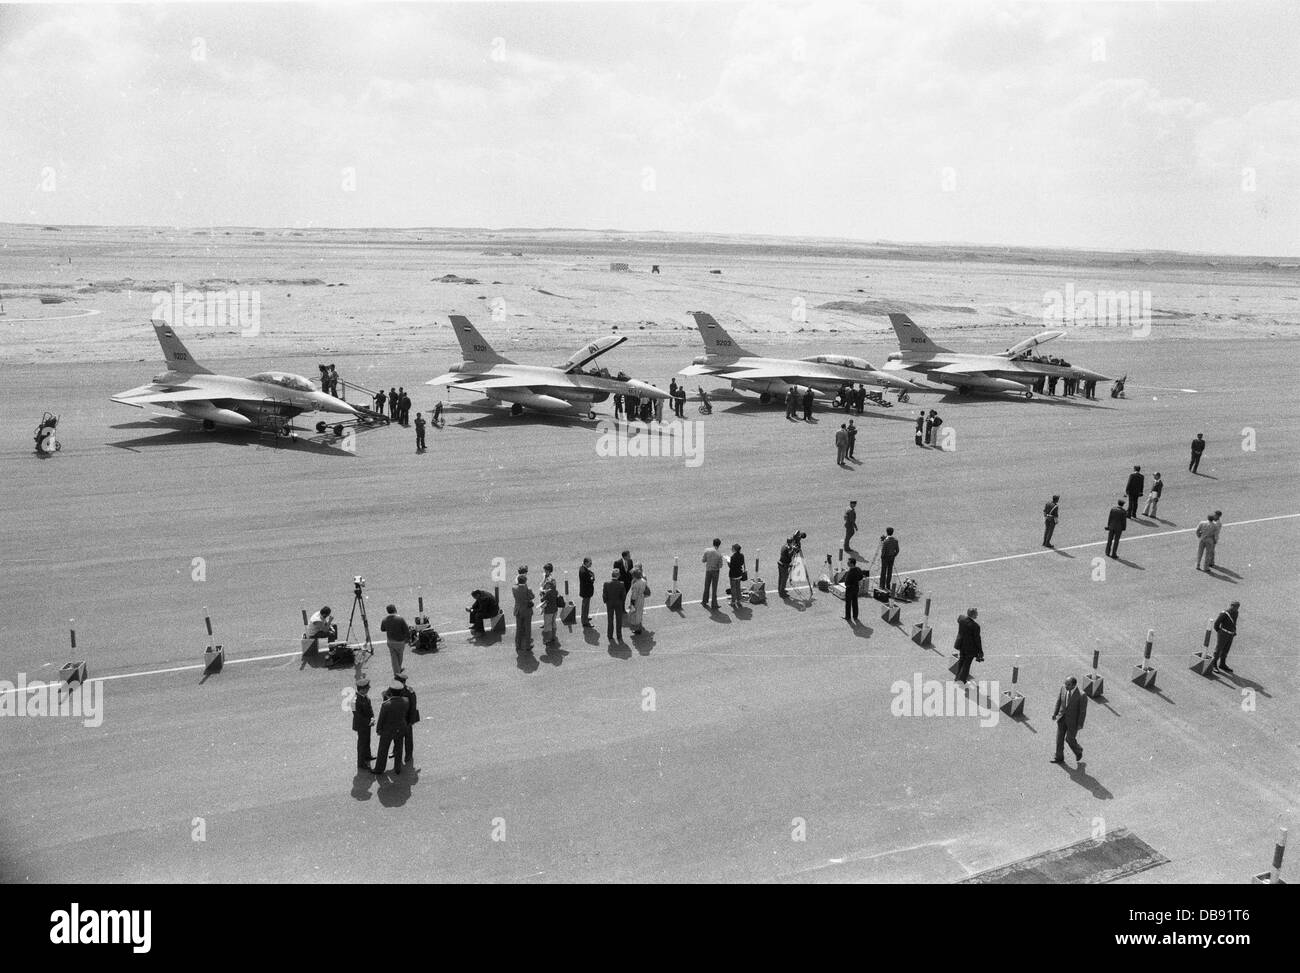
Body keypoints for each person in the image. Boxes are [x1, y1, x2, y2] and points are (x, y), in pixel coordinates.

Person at [372, 681, 408, 775]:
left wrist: (378, 729)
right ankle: (397, 768)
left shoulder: (386, 705)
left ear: (391, 692)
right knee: (399, 748)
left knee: (383, 750)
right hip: (400, 728)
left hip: (387, 730)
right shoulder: (405, 701)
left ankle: (379, 769)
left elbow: (381, 719)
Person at [1050, 676, 1087, 765]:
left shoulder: (1082, 695)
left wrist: (1080, 724)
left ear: (1074, 685)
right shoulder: (1063, 689)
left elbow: (1082, 712)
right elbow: (1059, 701)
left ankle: (1078, 751)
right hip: (1062, 718)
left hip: (1073, 722)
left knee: (1070, 739)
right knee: (1059, 739)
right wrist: (1055, 713)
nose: (1066, 686)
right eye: (1065, 683)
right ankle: (1059, 757)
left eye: (1068, 685)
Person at [392, 670, 418, 771]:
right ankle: (395, 751)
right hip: (396, 719)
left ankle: (408, 755)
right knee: (396, 737)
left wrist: (411, 721)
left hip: (406, 719)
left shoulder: (409, 692)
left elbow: (413, 707)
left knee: (408, 738)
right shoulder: (393, 689)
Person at [379, 604, 410, 677]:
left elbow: (382, 629)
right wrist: (408, 639)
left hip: (390, 641)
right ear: (395, 609)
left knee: (394, 657)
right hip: (400, 641)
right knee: (400, 656)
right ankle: (397, 673)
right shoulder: (400, 619)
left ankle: (397, 670)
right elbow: (406, 630)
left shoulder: (384, 619)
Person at [953, 608, 983, 683]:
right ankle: (962, 681)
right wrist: (980, 651)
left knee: (961, 661)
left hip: (961, 644)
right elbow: (977, 640)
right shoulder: (975, 626)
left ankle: (957, 678)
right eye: (976, 613)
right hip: (970, 648)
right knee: (966, 665)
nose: (977, 615)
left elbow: (959, 620)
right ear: (973, 615)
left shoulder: (961, 618)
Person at [352, 675, 375, 771]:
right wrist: (369, 721)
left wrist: (372, 717)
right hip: (361, 726)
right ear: (362, 690)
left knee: (367, 741)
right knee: (362, 744)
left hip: (367, 724)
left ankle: (368, 756)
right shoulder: (354, 701)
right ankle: (361, 763)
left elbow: (370, 709)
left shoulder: (365, 697)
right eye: (367, 688)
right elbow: (358, 716)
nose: (369, 688)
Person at [1212, 601, 1240, 673]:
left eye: (1237, 607)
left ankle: (1222, 664)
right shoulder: (1224, 613)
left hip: (1230, 634)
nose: (1236, 608)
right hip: (1223, 633)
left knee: (1226, 649)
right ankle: (1213, 664)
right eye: (1234, 606)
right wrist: (1220, 632)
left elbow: (1234, 622)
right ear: (1231, 605)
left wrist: (1234, 631)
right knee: (1219, 649)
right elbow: (1216, 623)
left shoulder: (1236, 613)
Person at [512, 573, 534, 652]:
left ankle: (518, 645)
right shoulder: (528, 589)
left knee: (519, 628)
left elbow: (516, 585)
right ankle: (527, 645)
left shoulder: (514, 588)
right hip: (527, 611)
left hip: (518, 610)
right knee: (527, 629)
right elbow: (532, 596)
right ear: (525, 581)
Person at [602, 569, 626, 642]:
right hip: (618, 603)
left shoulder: (606, 583)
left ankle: (610, 635)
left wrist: (606, 602)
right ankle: (619, 635)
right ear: (618, 576)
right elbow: (623, 595)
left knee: (610, 620)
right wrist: (621, 602)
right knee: (619, 620)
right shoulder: (621, 584)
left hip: (609, 603)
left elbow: (604, 594)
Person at [702, 538, 723, 610]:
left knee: (706, 586)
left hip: (708, 570)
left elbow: (703, 560)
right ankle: (714, 604)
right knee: (714, 588)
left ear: (713, 543)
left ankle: (704, 601)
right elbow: (720, 566)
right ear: (719, 545)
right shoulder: (719, 554)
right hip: (715, 572)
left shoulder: (707, 550)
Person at [627, 567, 650, 635]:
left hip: (637, 600)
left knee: (635, 613)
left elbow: (634, 595)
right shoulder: (643, 580)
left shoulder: (636, 584)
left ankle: (637, 628)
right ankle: (639, 627)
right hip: (641, 598)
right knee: (639, 612)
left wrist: (632, 603)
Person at [843, 557, 864, 624]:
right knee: (855, 602)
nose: (847, 563)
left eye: (848, 562)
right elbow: (861, 577)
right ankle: (855, 616)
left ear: (852, 564)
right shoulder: (858, 569)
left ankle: (848, 616)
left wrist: (847, 584)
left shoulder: (850, 572)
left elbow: (847, 582)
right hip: (856, 588)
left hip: (850, 589)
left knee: (848, 603)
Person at [540, 578, 559, 643]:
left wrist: (542, 593)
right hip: (555, 610)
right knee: (553, 623)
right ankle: (553, 637)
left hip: (548, 610)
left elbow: (542, 600)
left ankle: (548, 639)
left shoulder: (548, 592)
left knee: (547, 625)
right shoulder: (556, 591)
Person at [727, 543, 746, 609]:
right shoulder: (742, 555)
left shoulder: (733, 557)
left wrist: (728, 562)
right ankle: (739, 601)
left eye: (732, 548)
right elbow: (741, 563)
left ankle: (733, 602)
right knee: (738, 588)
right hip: (739, 574)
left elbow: (731, 566)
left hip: (733, 575)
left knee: (733, 589)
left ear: (734, 549)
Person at [578, 557, 595, 627]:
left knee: (585, 606)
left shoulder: (582, 568)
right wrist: (592, 578)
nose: (591, 564)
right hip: (586, 592)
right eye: (590, 563)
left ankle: (585, 617)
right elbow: (589, 581)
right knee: (585, 607)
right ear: (586, 563)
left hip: (585, 591)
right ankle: (585, 621)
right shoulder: (584, 571)